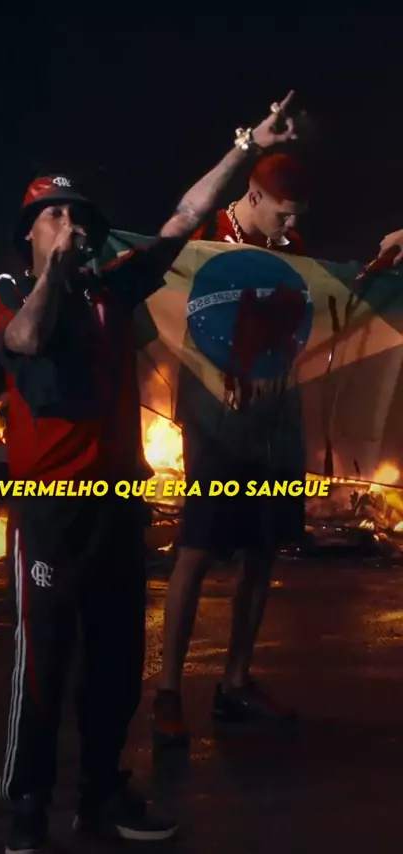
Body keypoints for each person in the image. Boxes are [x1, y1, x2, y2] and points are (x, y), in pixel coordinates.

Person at [0, 92, 298, 854]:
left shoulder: (113, 287)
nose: (71, 225)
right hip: (50, 511)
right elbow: (25, 342)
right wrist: (56, 273)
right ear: (29, 232)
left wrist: (249, 146)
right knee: (43, 665)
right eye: (55, 216)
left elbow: (185, 217)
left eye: (78, 216)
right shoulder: (6, 292)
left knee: (117, 662)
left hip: (117, 505)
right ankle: (28, 808)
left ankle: (101, 796)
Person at [153, 152, 311, 747]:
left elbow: (304, 316)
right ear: (254, 196)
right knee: (197, 549)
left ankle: (236, 683)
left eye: (297, 217)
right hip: (214, 419)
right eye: (282, 214)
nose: (289, 226)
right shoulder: (206, 234)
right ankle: (168, 691)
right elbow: (170, 305)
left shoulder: (292, 247)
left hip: (274, 418)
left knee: (263, 549)